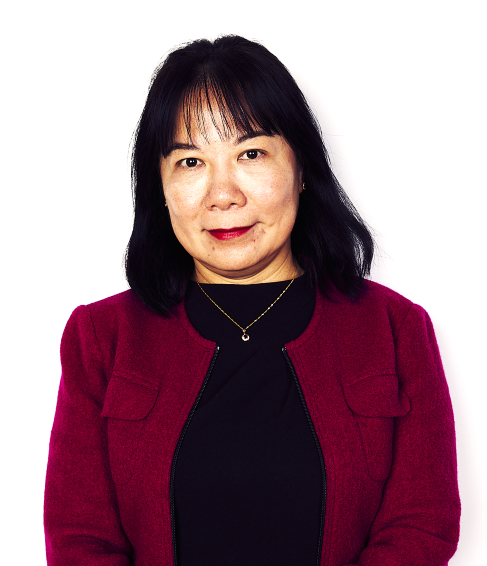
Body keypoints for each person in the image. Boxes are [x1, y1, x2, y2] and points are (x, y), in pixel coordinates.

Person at [44, 35, 460, 566]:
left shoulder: (395, 329)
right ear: (160, 187)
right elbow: (80, 540)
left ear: (302, 169)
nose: (223, 194)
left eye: (251, 154)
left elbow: (422, 524)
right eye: (190, 162)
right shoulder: (103, 338)